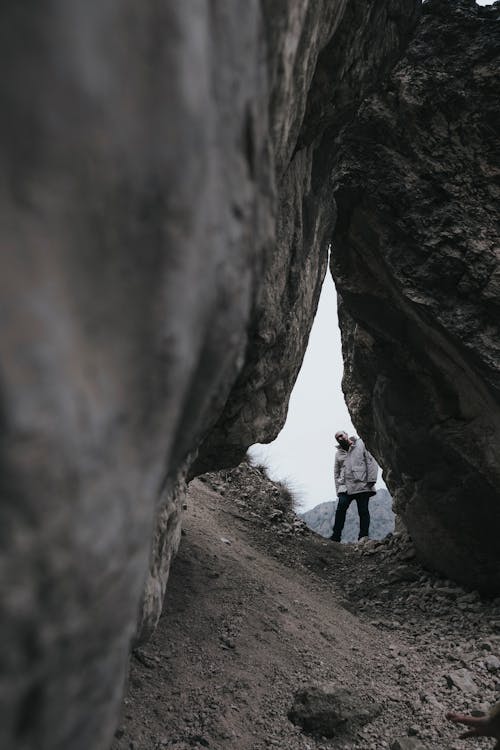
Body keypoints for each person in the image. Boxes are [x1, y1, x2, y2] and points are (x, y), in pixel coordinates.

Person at [330, 431, 378, 542]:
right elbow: (336, 472)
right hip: (345, 487)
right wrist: (338, 489)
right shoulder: (338, 454)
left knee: (363, 511)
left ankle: (363, 537)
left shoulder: (361, 444)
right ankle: (335, 537)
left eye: (341, 435)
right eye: (337, 438)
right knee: (340, 509)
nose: (340, 438)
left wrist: (371, 480)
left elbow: (370, 461)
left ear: (346, 434)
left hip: (362, 484)